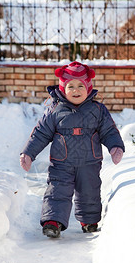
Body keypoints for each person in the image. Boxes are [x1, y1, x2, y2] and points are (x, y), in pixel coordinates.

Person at [20, 61, 125, 238]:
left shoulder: (97, 110)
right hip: (62, 163)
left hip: (89, 162)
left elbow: (109, 130)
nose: (76, 90)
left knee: (89, 191)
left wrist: (115, 147)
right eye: (71, 86)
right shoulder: (55, 110)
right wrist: (29, 153)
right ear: (63, 88)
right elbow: (40, 134)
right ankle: (53, 222)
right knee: (57, 191)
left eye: (80, 86)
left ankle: (89, 221)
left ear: (88, 87)